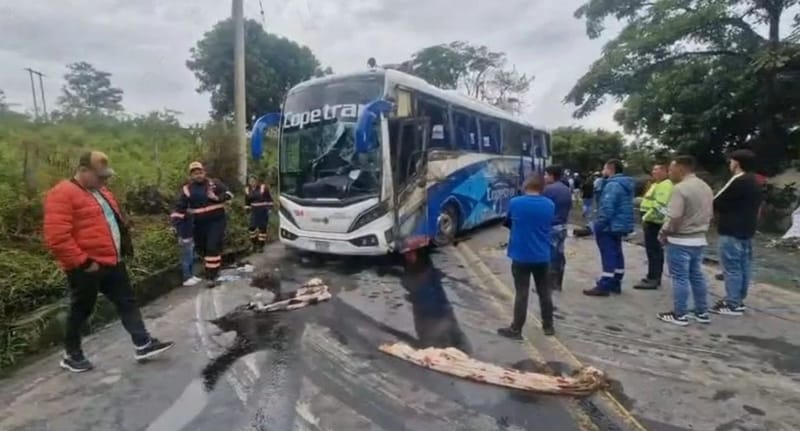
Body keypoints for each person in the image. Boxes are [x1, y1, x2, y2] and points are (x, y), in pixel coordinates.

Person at [43, 151, 174, 372]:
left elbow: (114, 220)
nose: (104, 181)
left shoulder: (101, 191)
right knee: (82, 310)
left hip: (112, 260)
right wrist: (84, 263)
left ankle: (143, 343)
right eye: (100, 176)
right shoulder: (62, 194)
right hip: (86, 266)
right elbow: (57, 238)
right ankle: (71, 354)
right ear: (84, 171)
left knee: (127, 301)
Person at [656, 156, 714, 326]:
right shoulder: (705, 187)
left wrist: (664, 232)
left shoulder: (680, 189)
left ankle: (679, 314)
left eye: (672, 169)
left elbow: (674, 216)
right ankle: (702, 312)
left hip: (680, 240)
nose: (670, 173)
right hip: (699, 239)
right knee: (696, 276)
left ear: (681, 169)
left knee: (680, 277)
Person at [497, 175, 556, 339]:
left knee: (522, 293)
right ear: (542, 188)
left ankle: (516, 329)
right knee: (545, 292)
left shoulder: (516, 203)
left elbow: (507, 222)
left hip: (521, 255)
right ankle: (548, 326)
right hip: (542, 256)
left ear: (525, 186)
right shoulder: (549, 204)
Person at [710, 149, 763, 316]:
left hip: (731, 229)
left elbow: (717, 201)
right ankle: (738, 299)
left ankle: (732, 303)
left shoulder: (738, 180)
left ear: (737, 163)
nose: (730, 164)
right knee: (743, 266)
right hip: (747, 229)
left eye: (731, 161)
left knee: (731, 267)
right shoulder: (754, 181)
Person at [171, 162, 233, 283]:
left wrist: (217, 198)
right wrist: (176, 226)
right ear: (191, 176)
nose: (198, 175)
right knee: (202, 248)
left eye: (200, 172)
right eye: (195, 173)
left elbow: (229, 194)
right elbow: (179, 209)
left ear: (204, 172)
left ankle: (212, 276)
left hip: (217, 221)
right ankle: (212, 268)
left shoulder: (214, 184)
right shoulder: (187, 189)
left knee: (212, 246)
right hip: (199, 224)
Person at [583, 160, 635, 296]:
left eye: (604, 168)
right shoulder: (625, 184)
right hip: (620, 224)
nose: (602, 171)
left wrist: (597, 226)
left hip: (609, 225)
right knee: (617, 253)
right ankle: (616, 282)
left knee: (608, 254)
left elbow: (607, 208)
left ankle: (604, 284)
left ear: (610, 169)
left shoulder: (612, 185)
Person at [634, 162, 673, 290]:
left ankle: (654, 279)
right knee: (651, 251)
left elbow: (660, 206)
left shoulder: (665, 185)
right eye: (653, 170)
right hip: (651, 221)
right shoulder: (656, 184)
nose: (654, 172)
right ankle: (651, 275)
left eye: (657, 170)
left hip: (654, 222)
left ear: (665, 172)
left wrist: (646, 218)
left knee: (655, 251)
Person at [543, 165, 573, 291]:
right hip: (562, 226)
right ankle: (558, 282)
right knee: (559, 254)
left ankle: (549, 284)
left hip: (552, 227)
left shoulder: (549, 190)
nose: (544, 177)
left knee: (550, 255)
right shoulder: (566, 189)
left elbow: (543, 208)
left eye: (545, 174)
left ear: (551, 175)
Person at [171, 198, 202, 287]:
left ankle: (192, 275)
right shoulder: (177, 214)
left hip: (190, 237)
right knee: (186, 259)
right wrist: (182, 237)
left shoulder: (187, 213)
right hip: (184, 238)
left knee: (192, 258)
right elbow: (178, 227)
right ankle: (186, 278)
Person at [244, 175, 274, 252]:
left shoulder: (263, 188)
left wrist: (269, 209)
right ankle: (254, 243)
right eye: (250, 181)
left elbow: (269, 199)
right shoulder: (247, 189)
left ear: (256, 181)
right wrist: (247, 210)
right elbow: (247, 202)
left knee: (262, 228)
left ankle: (261, 246)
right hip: (254, 211)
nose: (251, 182)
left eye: (253, 181)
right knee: (252, 228)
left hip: (263, 210)